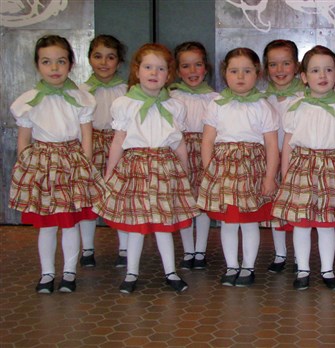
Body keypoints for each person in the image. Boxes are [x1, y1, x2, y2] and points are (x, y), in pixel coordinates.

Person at [94, 43, 198, 293]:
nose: (154, 73)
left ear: (168, 74)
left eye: (161, 68)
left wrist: (184, 171)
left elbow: (179, 142)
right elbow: (119, 140)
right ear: (137, 71)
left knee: (164, 225)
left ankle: (171, 272)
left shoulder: (175, 106)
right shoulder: (124, 103)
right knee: (136, 226)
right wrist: (110, 172)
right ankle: (131, 273)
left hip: (165, 169)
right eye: (148, 67)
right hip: (136, 169)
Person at [9, 35, 103, 293]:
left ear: (70, 64)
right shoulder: (28, 100)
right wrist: (25, 169)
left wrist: (84, 165)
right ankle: (47, 273)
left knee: (69, 222)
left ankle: (70, 273)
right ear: (37, 65)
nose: (54, 68)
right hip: (42, 165)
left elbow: (86, 135)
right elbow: (24, 139)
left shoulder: (81, 98)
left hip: (71, 163)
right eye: (47, 62)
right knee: (47, 224)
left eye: (60, 62)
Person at [272, 45, 335, 291]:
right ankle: (303, 269)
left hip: (330, 170)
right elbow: (288, 144)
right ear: (304, 77)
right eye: (315, 70)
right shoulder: (296, 107)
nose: (322, 75)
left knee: (326, 223)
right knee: (301, 224)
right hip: (301, 169)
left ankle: (327, 270)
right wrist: (287, 173)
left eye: (328, 70)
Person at [197, 47, 279, 287]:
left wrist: (269, 177)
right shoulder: (217, 104)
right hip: (223, 170)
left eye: (247, 71)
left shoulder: (263, 106)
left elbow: (272, 146)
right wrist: (208, 170)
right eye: (234, 71)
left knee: (249, 220)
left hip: (252, 170)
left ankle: (248, 266)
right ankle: (232, 264)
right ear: (225, 74)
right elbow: (208, 140)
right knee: (228, 221)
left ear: (258, 74)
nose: (240, 77)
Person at [79, 34, 128, 268]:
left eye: (110, 57)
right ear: (89, 58)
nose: (104, 62)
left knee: (121, 196)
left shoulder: (127, 90)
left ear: (119, 62)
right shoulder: (81, 90)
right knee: (88, 197)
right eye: (98, 56)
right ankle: (87, 247)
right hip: (91, 144)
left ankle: (125, 248)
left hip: (120, 146)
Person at [170, 41, 219, 271]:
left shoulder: (215, 98)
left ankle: (200, 251)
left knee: (202, 202)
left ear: (205, 68)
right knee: (184, 201)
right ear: (178, 70)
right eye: (186, 66)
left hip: (206, 151)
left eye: (197, 65)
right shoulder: (171, 97)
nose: (192, 71)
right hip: (180, 152)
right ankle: (188, 250)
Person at [261, 39, 305, 273]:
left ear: (296, 66)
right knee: (275, 209)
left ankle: (300, 255)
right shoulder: (260, 98)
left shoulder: (305, 96)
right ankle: (280, 253)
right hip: (271, 160)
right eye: (273, 64)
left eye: (286, 63)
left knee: (297, 208)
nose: (279, 70)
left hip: (298, 161)